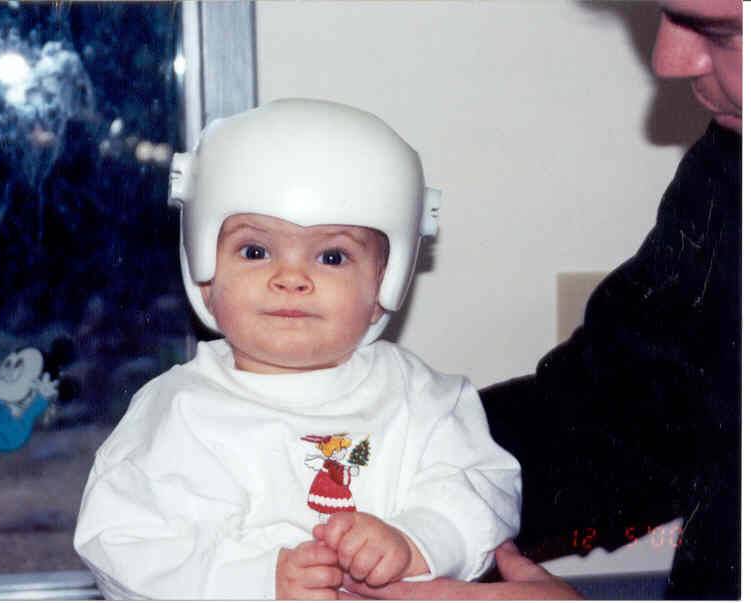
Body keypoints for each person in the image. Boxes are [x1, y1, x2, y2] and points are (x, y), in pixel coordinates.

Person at [342, 0, 741, 599]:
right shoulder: (731, 171)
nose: (667, 59)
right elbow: (623, 414)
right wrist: (375, 454)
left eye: (723, 31)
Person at [73, 98, 522, 599]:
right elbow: (123, 545)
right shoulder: (174, 411)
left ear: (384, 285)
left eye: (332, 257)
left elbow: (485, 486)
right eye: (255, 251)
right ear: (205, 275)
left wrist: (420, 539)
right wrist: (258, 581)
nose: (291, 278)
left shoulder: (421, 398)